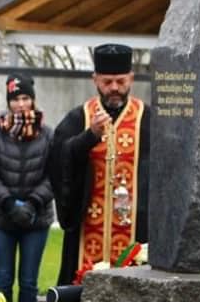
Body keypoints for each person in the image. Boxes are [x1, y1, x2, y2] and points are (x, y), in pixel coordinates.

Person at [49, 43, 151, 284]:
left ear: (131, 78)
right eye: (107, 82)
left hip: (134, 228)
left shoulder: (148, 119)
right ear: (95, 79)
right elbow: (59, 162)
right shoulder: (78, 118)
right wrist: (89, 137)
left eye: (120, 81)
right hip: (88, 227)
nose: (114, 88)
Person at [0, 74, 54, 302]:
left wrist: (32, 204)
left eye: (25, 98)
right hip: (2, 219)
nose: (20, 104)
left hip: (36, 218)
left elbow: (54, 175)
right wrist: (11, 204)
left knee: (29, 282)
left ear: (33, 100)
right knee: (3, 280)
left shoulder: (48, 135)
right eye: (15, 99)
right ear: (8, 102)